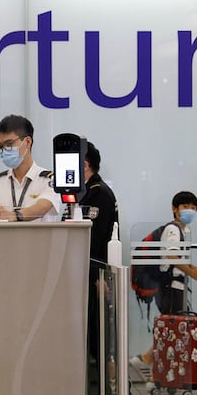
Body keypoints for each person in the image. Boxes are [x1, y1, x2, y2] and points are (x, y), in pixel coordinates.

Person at [129, 191, 197, 383]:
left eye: (192, 207)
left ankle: (150, 364)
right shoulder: (173, 230)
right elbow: (171, 258)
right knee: (174, 330)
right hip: (170, 288)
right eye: (184, 207)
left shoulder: (181, 230)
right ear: (174, 209)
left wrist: (192, 269)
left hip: (171, 287)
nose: (189, 211)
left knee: (172, 330)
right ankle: (150, 366)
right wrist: (192, 272)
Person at [0, 114, 60, 264]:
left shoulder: (48, 179)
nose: (4, 150)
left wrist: (15, 216)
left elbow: (42, 207)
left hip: (38, 261)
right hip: (3, 261)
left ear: (27, 142)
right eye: (0, 146)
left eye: (9, 144)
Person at [78, 141, 118, 362]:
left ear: (84, 165)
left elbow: (97, 240)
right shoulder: (87, 193)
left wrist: (97, 277)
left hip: (96, 277)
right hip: (88, 276)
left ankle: (105, 391)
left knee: (97, 341)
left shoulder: (98, 194)